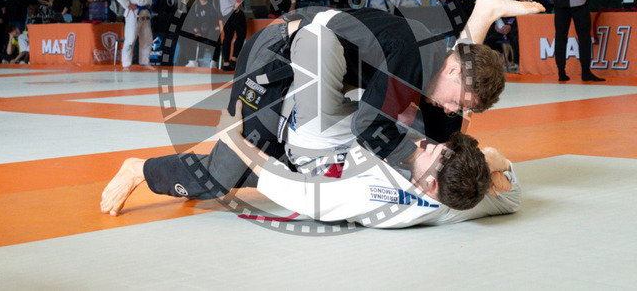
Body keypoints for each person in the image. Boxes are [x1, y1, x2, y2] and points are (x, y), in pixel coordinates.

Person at [101, 0, 543, 216]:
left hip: (315, 69)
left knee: (436, 129)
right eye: (460, 101)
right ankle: (140, 169)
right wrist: (417, 167)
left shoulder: (435, 63)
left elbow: (440, 124)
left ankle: (483, 12)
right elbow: (368, 130)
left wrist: (480, 165)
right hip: (275, 59)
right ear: (453, 71)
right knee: (225, 174)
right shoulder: (410, 59)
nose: (453, 109)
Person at [212, 103, 519, 228]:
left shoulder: (380, 198)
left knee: (210, 173)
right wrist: (497, 161)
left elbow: (301, 194)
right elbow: (512, 198)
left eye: (432, 154)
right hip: (354, 143)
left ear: (430, 184)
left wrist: (233, 138)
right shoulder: (463, 197)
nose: (428, 146)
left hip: (312, 159)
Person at [484, 0, 542, 68]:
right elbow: (500, 11)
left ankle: (517, 64)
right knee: (487, 36)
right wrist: (497, 25)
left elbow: (535, 15)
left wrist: (511, 26)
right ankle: (490, 65)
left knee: (516, 35)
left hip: (522, 26)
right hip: (504, 26)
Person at [113, 0, 155, 71]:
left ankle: (145, 62)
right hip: (133, 12)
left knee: (147, 38)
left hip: (145, 11)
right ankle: (126, 64)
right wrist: (127, 4)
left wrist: (149, 2)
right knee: (130, 38)